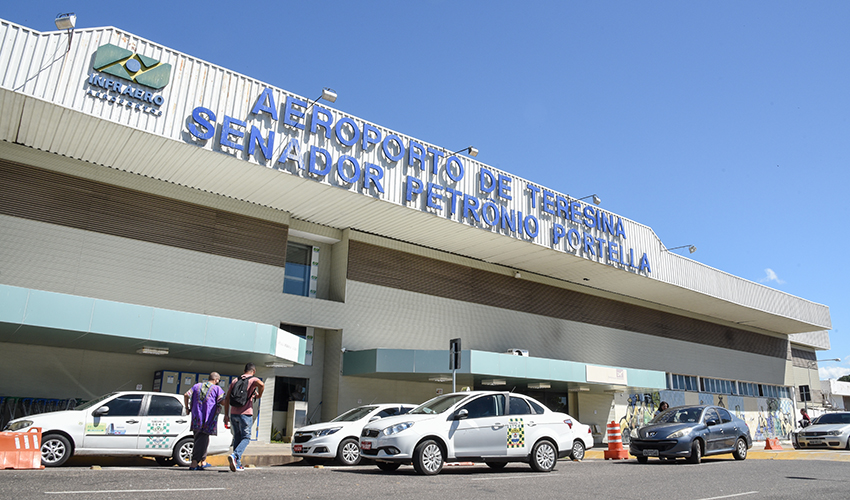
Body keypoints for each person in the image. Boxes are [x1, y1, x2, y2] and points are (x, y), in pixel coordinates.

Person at [223, 362, 264, 472]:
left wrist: (226, 415)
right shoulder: (253, 380)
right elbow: (262, 384)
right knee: (246, 437)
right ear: (253, 371)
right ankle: (235, 455)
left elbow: (227, 398)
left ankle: (238, 464)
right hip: (245, 414)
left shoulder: (235, 380)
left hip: (233, 413)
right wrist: (259, 395)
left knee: (237, 437)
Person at [183, 372, 225, 471]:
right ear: (216, 380)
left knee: (201, 439)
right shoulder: (217, 389)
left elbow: (186, 395)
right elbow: (222, 401)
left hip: (196, 417)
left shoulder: (197, 386)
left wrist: (187, 408)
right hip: (208, 419)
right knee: (201, 439)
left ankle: (203, 461)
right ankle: (194, 462)